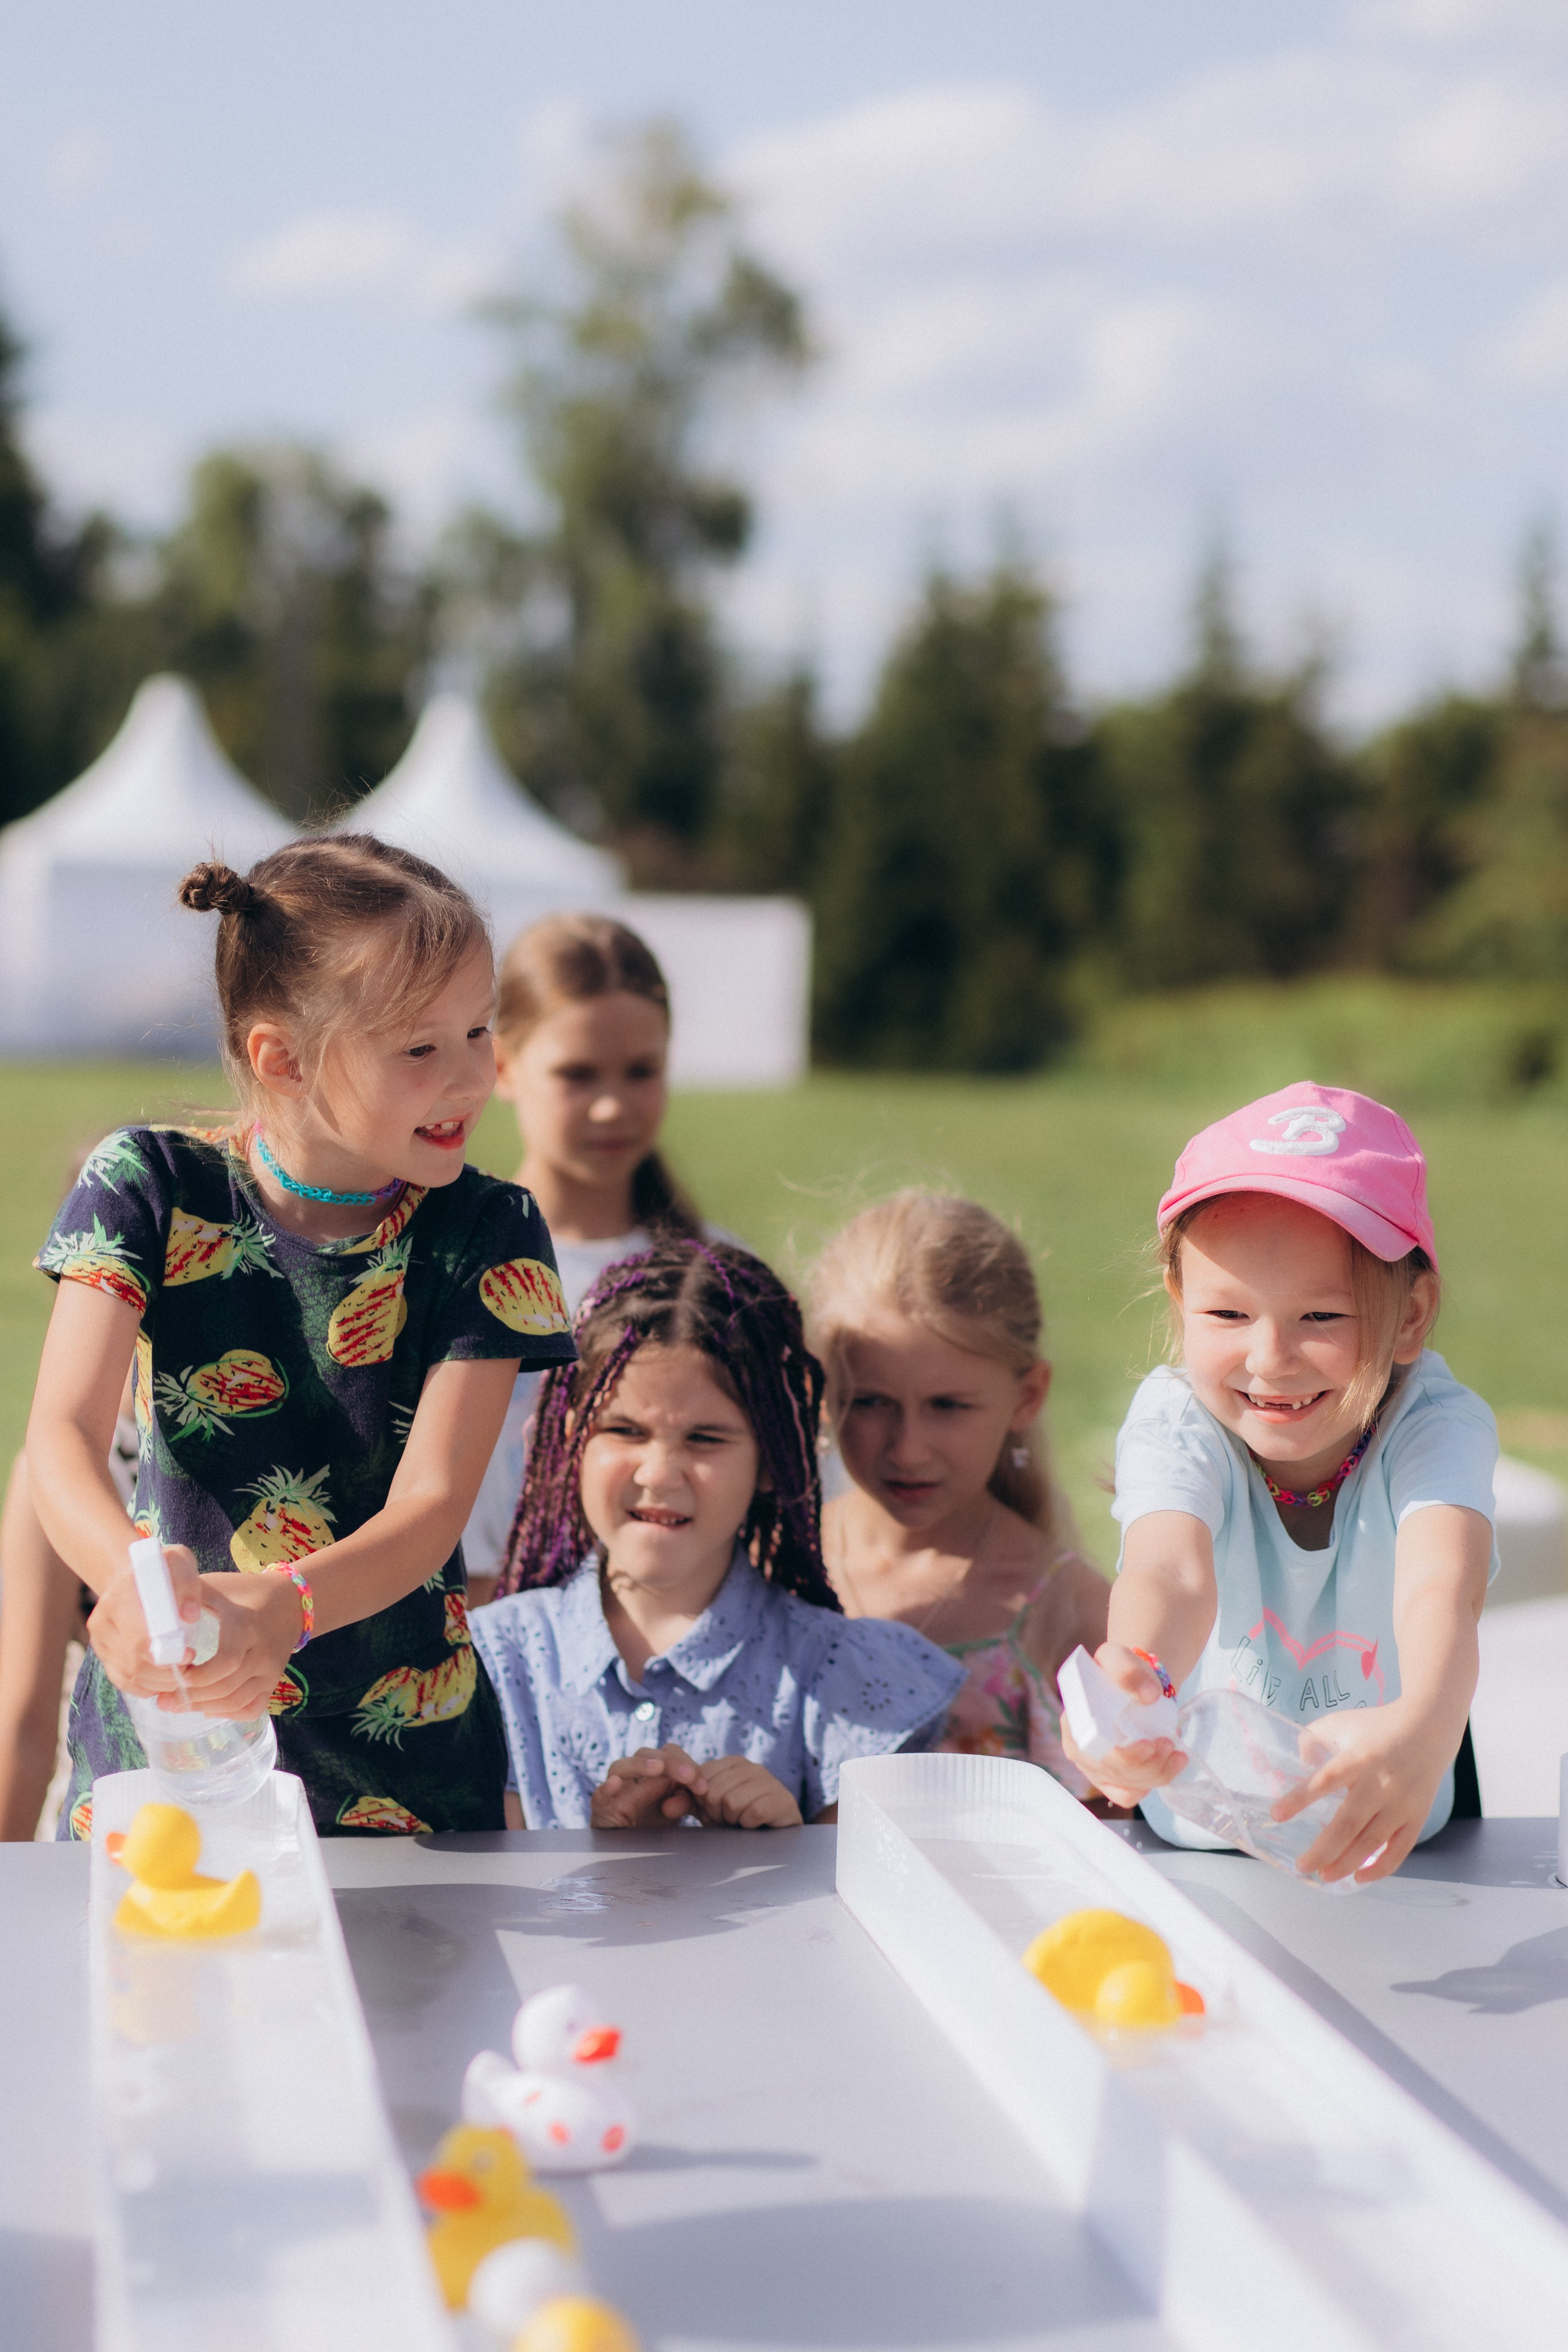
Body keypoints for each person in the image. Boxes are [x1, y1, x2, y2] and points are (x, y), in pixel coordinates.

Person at [26, 836, 576, 1841]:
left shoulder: (491, 1233)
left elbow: (434, 1504)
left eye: (480, 1030)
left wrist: (285, 1610)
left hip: (410, 1780)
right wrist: (135, 1590)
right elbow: (58, 1437)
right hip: (170, 1758)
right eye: (421, 1047)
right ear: (282, 1056)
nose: (471, 1076)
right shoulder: (145, 1186)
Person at [1066, 1082, 1496, 1885]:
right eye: (1228, 1316)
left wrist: (1424, 1729)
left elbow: (1443, 1586)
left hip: (1397, 1858)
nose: (1271, 1358)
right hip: (1195, 1847)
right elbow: (1169, 1569)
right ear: (1181, 1301)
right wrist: (1136, 1673)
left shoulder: (1437, 1426)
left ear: (1411, 1316)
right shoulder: (1176, 1420)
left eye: (1321, 1318)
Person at [469, 1238, 965, 1830]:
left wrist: (792, 1847)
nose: (658, 1472)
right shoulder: (490, 1664)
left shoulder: (844, 1680)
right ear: (573, 1436)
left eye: (706, 1439)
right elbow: (484, 1909)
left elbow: (883, 1907)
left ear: (771, 1461)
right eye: (625, 1430)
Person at [807, 1193, 1109, 1793]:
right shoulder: (775, 1572)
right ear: (822, 1392)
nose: (907, 1448)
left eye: (947, 1406)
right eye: (870, 1402)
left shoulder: (1070, 1612)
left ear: (1026, 1397)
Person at [462, 912, 722, 1607]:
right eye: (578, 1074)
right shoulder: (444, 1258)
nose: (612, 1107)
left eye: (641, 1072)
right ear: (503, 1066)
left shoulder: (716, 1275)